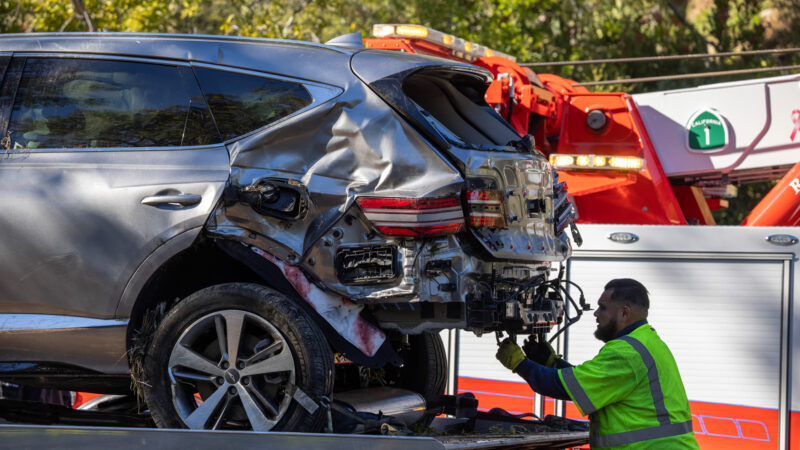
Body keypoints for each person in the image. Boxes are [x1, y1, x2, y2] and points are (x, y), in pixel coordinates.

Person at [495, 278, 698, 449]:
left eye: (602, 307)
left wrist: (519, 363)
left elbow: (563, 387)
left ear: (624, 313)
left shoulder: (627, 352)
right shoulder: (646, 341)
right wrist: (552, 363)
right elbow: (589, 382)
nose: (596, 314)